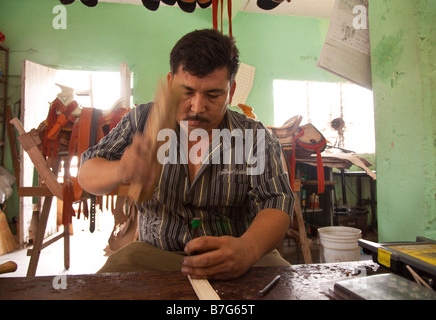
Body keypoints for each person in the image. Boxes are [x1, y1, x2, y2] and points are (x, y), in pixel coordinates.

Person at [78, 29, 295, 280]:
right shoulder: (141, 119)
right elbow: (86, 173)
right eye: (187, 92)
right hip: (153, 254)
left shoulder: (255, 137)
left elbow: (277, 201)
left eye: (213, 95)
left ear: (231, 90)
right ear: (170, 83)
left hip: (234, 254)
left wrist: (248, 248)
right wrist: (121, 169)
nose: (197, 107)